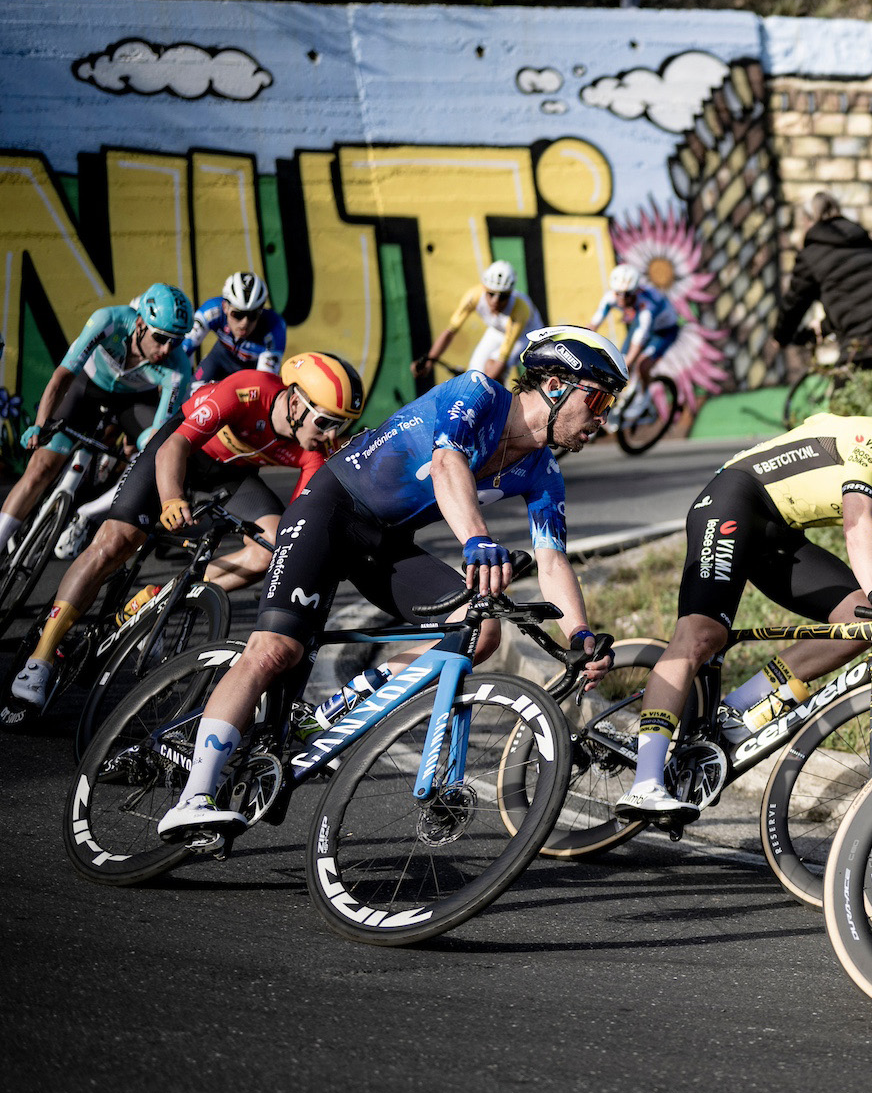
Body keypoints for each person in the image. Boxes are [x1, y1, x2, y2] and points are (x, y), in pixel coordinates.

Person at [155, 326, 621, 838]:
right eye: (597, 399)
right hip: (330, 510)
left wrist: (578, 634)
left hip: (383, 543)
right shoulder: (479, 394)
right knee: (273, 652)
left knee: (478, 630)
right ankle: (193, 795)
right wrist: (476, 540)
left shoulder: (543, 471)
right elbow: (447, 462)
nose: (603, 417)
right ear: (554, 385)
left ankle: (339, 706)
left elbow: (551, 558)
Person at [612, 386, 872, 825]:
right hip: (735, 498)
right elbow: (856, 521)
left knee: (865, 627)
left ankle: (734, 711)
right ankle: (645, 783)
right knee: (702, 635)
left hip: (778, 534)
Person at [5, 353, 364, 718]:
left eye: (342, 426)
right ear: (296, 401)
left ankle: (160, 597)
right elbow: (174, 448)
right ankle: (41, 657)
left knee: (270, 547)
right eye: (326, 422)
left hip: (229, 473)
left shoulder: (316, 449)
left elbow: (297, 525)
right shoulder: (247, 390)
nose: (332, 435)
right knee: (117, 541)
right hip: (179, 450)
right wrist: (172, 498)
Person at [0, 284, 196, 557]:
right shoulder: (110, 321)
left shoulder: (177, 368)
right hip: (87, 387)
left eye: (176, 341)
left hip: (133, 403)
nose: (167, 349)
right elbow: (63, 376)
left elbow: (160, 440)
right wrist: (40, 423)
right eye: (161, 338)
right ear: (140, 323)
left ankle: (88, 514)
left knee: (155, 447)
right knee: (42, 468)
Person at [772, 192, 872, 361]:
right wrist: (824, 326)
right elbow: (859, 300)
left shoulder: (811, 255)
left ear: (807, 221)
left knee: (846, 385)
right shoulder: (863, 240)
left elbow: (794, 304)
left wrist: (780, 337)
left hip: (866, 343)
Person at [413, 260, 544, 384]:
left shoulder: (520, 309)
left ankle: (500, 406)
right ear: (484, 288)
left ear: (510, 294)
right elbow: (450, 332)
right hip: (498, 330)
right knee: (473, 373)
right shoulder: (474, 295)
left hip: (525, 336)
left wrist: (482, 384)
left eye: (503, 296)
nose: (495, 302)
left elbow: (503, 357)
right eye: (491, 294)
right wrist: (430, 361)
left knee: (490, 369)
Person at [189, 271, 288, 384]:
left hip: (250, 371)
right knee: (190, 392)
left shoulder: (274, 327)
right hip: (219, 359)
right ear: (225, 307)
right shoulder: (213, 311)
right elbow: (184, 350)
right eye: (237, 315)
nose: (244, 323)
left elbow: (264, 381)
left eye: (253, 315)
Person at [590, 262, 680, 383]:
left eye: (627, 294)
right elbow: (592, 326)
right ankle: (627, 396)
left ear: (635, 292)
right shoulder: (610, 297)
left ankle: (644, 397)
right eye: (618, 293)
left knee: (642, 365)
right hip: (644, 326)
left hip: (664, 330)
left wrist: (627, 365)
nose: (621, 298)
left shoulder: (647, 307)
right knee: (620, 360)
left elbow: (640, 338)